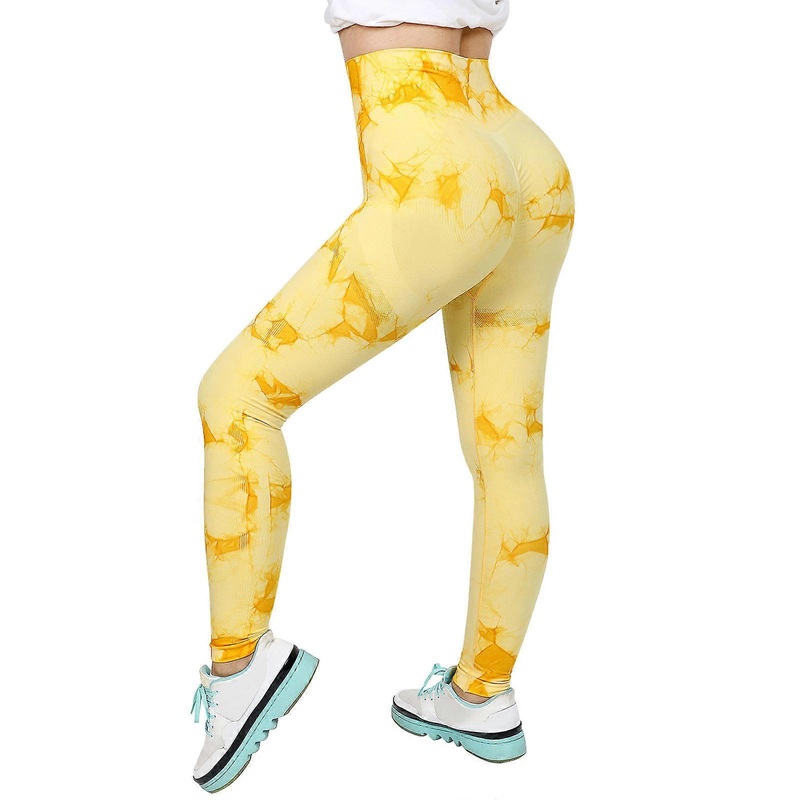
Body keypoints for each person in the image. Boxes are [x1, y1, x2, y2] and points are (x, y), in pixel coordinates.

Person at [190, 0, 575, 788]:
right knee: (507, 454)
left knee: (236, 401)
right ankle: (482, 693)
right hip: (522, 153)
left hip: (437, 159)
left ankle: (239, 665)